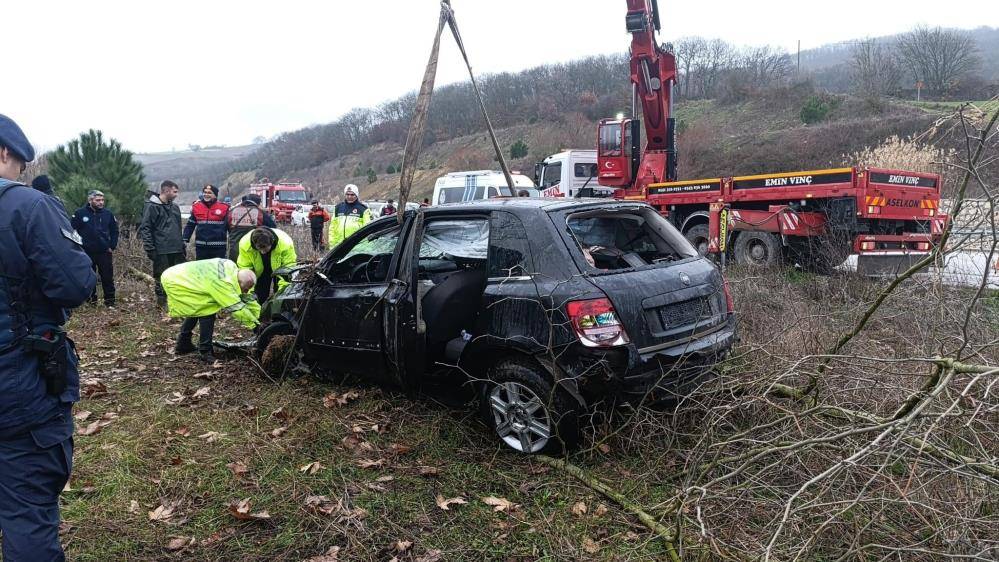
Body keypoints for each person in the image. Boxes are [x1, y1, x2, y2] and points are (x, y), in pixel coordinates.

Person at [0, 114, 97, 562]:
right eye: (20, 165)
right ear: (5, 153)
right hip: (18, 387)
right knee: (26, 510)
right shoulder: (26, 207)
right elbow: (76, 284)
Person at [161, 259, 260, 363]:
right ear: (239, 282)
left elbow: (246, 298)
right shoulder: (223, 283)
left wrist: (260, 317)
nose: (247, 291)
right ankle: (205, 351)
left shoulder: (233, 271)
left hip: (183, 276)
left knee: (198, 308)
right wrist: (255, 326)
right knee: (207, 310)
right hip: (176, 280)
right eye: (245, 288)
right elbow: (236, 308)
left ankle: (183, 343)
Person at [139, 180, 185, 307]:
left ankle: (176, 300)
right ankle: (161, 302)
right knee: (161, 276)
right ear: (166, 190)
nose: (176, 194)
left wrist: (182, 245)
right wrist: (150, 248)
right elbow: (146, 228)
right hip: (161, 249)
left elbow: (178, 227)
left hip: (176, 249)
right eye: (174, 192)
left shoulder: (175, 207)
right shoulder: (152, 206)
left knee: (178, 276)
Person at [71, 190, 120, 307]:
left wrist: (112, 246)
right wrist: (78, 247)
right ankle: (91, 302)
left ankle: (110, 302)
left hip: (104, 251)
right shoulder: (79, 213)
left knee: (107, 277)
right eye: (98, 200)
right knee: (89, 278)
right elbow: (72, 231)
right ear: (90, 200)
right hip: (86, 252)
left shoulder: (108, 214)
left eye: (102, 200)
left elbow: (114, 231)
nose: (101, 202)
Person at [237, 227, 297, 304]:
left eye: (265, 249)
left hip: (280, 269)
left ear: (272, 242)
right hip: (258, 270)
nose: (263, 252)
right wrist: (250, 294)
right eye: (259, 249)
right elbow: (245, 270)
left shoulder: (285, 244)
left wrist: (282, 294)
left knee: (279, 295)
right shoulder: (245, 244)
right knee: (259, 294)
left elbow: (288, 271)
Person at [183, 184, 230, 260]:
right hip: (201, 248)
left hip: (219, 248)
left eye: (209, 193)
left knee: (217, 270)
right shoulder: (196, 207)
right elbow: (190, 225)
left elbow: (230, 227)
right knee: (201, 270)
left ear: (215, 195)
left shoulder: (224, 208)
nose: (206, 194)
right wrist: (185, 239)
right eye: (205, 192)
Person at [227, 193, 276, 260]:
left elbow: (225, 228)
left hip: (235, 252)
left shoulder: (232, 211)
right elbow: (273, 228)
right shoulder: (260, 213)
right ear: (257, 203)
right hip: (253, 252)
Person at [329, 184, 372, 249]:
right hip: (339, 247)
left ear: (356, 195)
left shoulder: (363, 209)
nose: (349, 196)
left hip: (356, 247)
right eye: (347, 194)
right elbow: (332, 228)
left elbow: (368, 230)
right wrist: (332, 245)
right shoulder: (338, 208)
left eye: (352, 195)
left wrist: (364, 248)